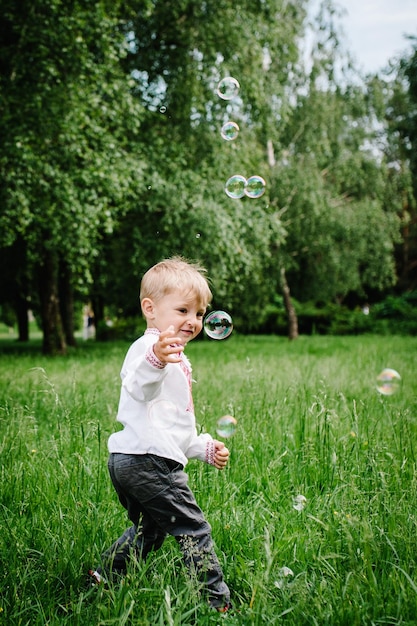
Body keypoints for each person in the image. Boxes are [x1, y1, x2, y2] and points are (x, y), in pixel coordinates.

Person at [89, 257, 232, 613]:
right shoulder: (149, 347)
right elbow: (137, 386)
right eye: (183, 309)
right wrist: (155, 357)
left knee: (149, 531)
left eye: (200, 314)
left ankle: (104, 575)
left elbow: (171, 423)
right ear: (150, 309)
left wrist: (203, 446)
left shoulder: (175, 356)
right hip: (149, 463)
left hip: (133, 459)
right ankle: (217, 603)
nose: (193, 321)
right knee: (193, 528)